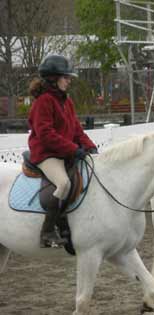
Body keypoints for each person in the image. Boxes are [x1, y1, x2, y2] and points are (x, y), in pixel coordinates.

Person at [28, 54, 98, 248]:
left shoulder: (66, 101)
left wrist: (90, 146)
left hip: (63, 151)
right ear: (53, 78)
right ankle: (47, 231)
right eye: (65, 77)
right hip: (46, 153)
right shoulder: (43, 102)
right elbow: (46, 135)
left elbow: (76, 129)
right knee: (64, 183)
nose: (69, 80)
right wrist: (74, 149)